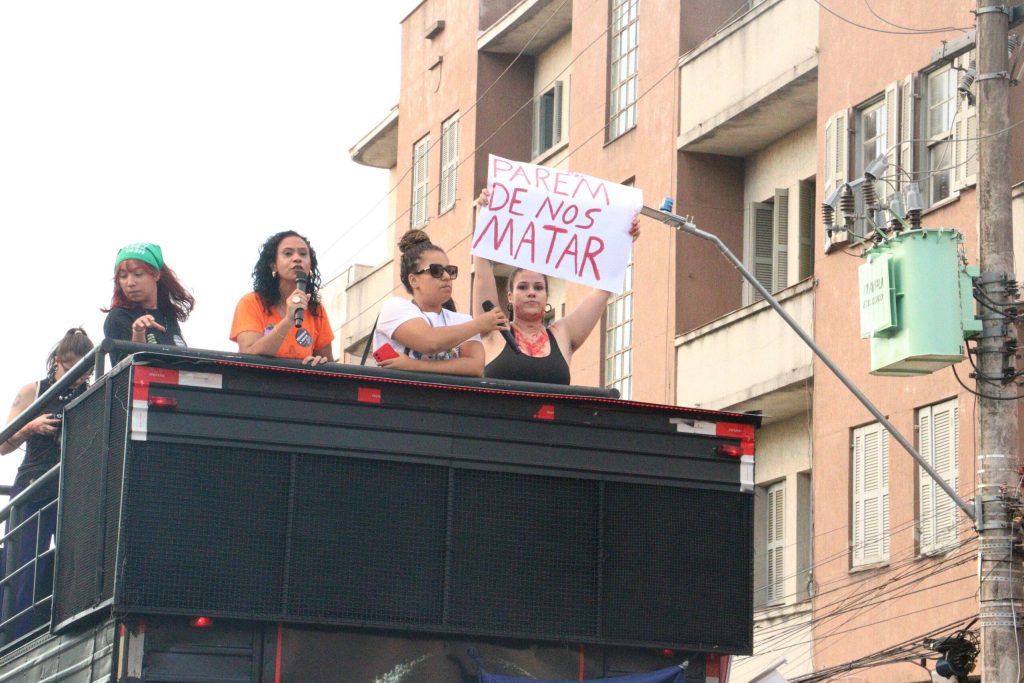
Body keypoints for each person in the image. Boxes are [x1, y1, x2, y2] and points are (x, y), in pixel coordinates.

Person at [473, 189, 639, 385]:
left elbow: (603, 290)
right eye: (523, 287)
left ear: (547, 296)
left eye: (538, 288)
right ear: (510, 296)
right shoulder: (493, 330)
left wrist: (623, 240)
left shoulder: (563, 334)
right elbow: (482, 275)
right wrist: (483, 216)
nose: (531, 292)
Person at [0, 328, 94, 640]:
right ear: (57, 362)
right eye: (72, 370)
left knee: (75, 566)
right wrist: (32, 426)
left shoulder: (91, 393)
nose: (78, 379)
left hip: (74, 487)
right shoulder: (34, 391)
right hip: (33, 486)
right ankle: (15, 640)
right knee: (22, 570)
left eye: (85, 372)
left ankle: (68, 632)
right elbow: (3, 445)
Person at [373, 230, 507, 377]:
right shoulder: (394, 308)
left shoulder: (463, 321)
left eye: (450, 270)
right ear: (414, 280)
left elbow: (475, 367)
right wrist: (478, 324)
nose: (446, 276)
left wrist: (413, 365)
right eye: (436, 271)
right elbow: (429, 342)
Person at [231, 230, 335, 366]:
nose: (297, 258)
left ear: (310, 265)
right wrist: (288, 320)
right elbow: (248, 354)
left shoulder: (316, 309)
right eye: (288, 253)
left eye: (303, 254)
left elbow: (329, 364)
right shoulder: (251, 302)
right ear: (273, 265)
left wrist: (320, 362)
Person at [103, 242, 193, 364]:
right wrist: (138, 333)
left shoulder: (168, 316)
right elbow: (125, 370)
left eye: (138, 274)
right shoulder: (118, 316)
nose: (130, 283)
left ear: (156, 275)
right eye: (123, 276)